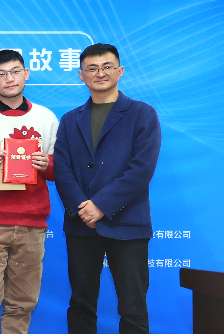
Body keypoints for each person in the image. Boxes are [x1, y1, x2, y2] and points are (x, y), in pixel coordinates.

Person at [54, 43, 160, 334]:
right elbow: (62, 170)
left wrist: (101, 205)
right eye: (92, 68)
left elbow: (142, 169)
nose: (100, 73)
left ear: (120, 71)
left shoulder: (142, 114)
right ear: (81, 75)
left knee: (133, 307)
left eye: (107, 67)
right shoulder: (70, 119)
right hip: (81, 224)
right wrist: (84, 208)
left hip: (127, 223)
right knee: (81, 303)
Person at [0, 49, 59, 334]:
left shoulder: (46, 118)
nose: (9, 78)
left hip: (31, 225)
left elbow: (60, 169)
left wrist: (47, 165)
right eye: (1, 74)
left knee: (22, 304)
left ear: (26, 74)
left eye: (16, 71)